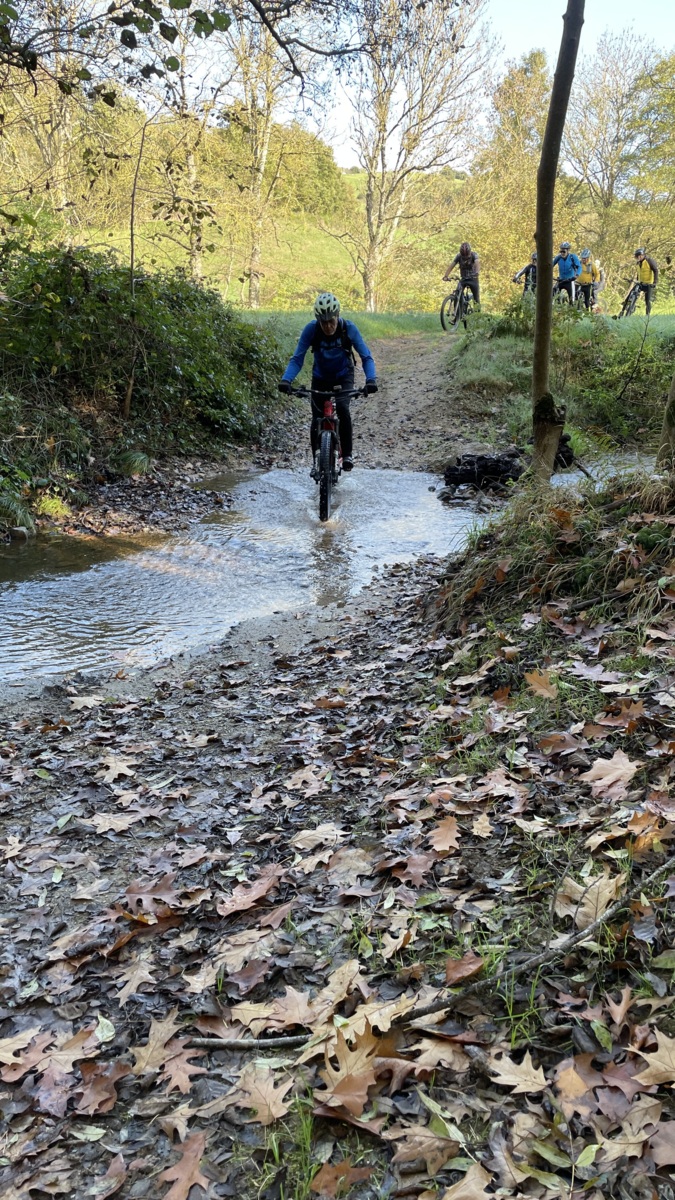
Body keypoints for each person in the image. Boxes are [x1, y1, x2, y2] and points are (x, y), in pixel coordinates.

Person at [278, 292, 377, 473]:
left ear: (337, 315)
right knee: (316, 418)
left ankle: (347, 455)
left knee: (343, 408)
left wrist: (371, 379)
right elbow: (297, 359)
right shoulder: (311, 330)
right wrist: (286, 380)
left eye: (331, 321)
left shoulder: (348, 328)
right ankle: (316, 460)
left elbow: (366, 357)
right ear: (318, 320)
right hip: (320, 377)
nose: (328, 326)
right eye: (323, 322)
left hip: (343, 375)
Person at [443, 242, 480, 306]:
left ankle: (477, 312)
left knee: (476, 298)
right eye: (463, 256)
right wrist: (446, 276)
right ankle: (457, 311)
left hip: (473, 278)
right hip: (463, 279)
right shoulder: (459, 256)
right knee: (457, 294)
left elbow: (477, 263)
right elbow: (451, 266)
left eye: (467, 256)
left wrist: (477, 272)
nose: (465, 257)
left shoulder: (474, 255)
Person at [634, 248, 659, 315]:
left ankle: (647, 315)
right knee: (633, 295)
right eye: (636, 257)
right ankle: (630, 308)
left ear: (641, 255)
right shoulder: (638, 263)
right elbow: (639, 273)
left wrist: (655, 282)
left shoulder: (649, 261)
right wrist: (637, 280)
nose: (637, 258)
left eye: (637, 257)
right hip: (640, 283)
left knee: (647, 300)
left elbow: (656, 271)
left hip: (649, 284)